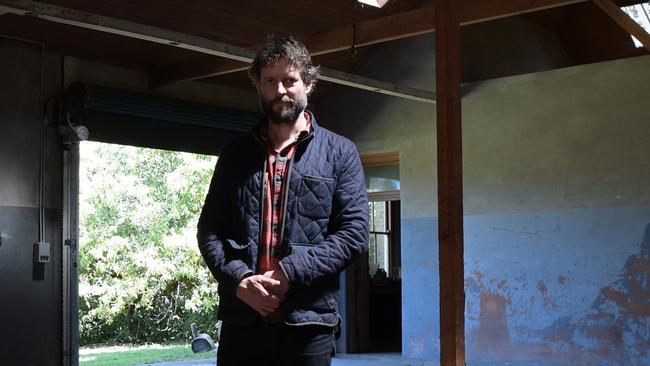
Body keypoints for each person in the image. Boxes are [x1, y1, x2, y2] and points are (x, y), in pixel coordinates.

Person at [197, 35, 369, 366]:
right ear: (259, 87)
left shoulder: (340, 152)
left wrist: (289, 272)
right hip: (242, 318)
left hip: (309, 320)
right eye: (270, 81)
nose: (280, 91)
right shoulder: (235, 154)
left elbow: (354, 233)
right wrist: (239, 280)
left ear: (309, 82)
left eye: (289, 80)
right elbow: (209, 230)